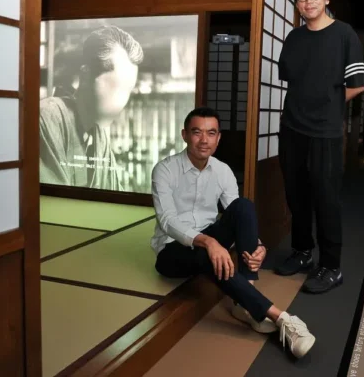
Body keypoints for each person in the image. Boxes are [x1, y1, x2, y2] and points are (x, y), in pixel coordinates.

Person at [150, 107, 316, 359]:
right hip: (172, 250)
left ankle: (244, 300)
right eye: (196, 132)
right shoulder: (164, 169)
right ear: (184, 135)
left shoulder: (223, 171)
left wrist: (259, 246)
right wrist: (208, 242)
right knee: (206, 254)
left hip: (209, 238)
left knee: (243, 206)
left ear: (218, 138)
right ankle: (281, 317)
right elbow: (167, 220)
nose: (204, 140)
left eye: (211, 133)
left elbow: (238, 217)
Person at [274, 0, 364, 294]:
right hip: (291, 128)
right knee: (296, 194)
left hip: (325, 131)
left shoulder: (344, 35)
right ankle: (302, 251)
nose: (308, 0)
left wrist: (328, 104)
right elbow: (293, 80)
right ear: (297, 2)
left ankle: (331, 266)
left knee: (326, 199)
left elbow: (358, 84)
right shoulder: (294, 38)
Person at [39, 25, 143, 191]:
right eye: (116, 88)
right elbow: (54, 198)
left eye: (128, 91)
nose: (122, 101)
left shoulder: (99, 136)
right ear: (86, 75)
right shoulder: (48, 116)